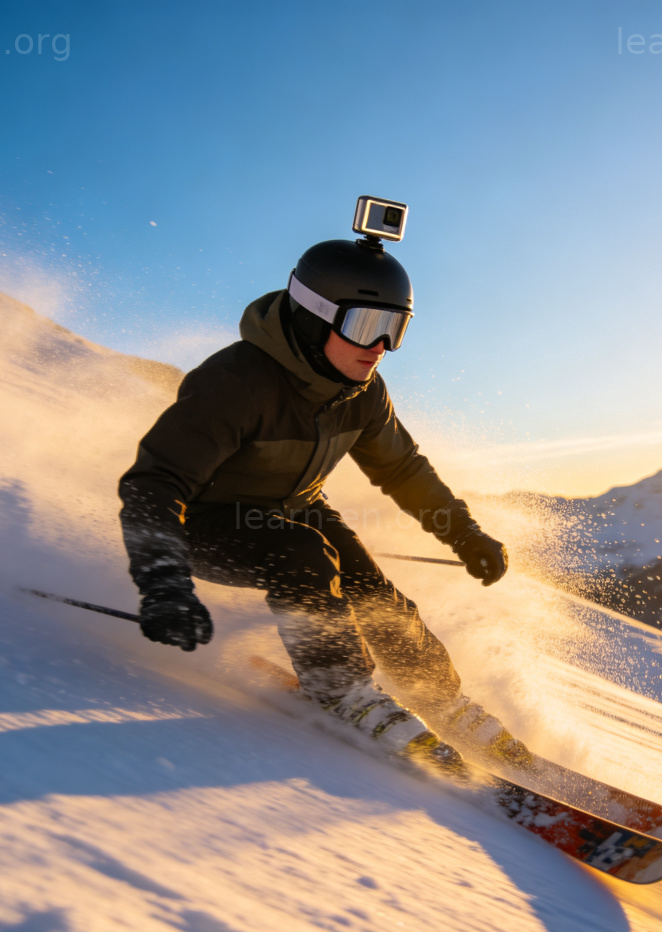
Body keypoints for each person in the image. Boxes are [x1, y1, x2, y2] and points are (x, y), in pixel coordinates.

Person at [119, 225, 512, 767]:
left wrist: (465, 534)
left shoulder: (363, 392)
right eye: (365, 325)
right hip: (204, 523)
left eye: (394, 329)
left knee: (371, 589)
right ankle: (343, 689)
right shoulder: (238, 382)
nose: (380, 347)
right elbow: (156, 481)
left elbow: (403, 469)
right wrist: (163, 580)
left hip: (297, 508)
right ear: (313, 316)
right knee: (300, 551)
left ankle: (439, 697)